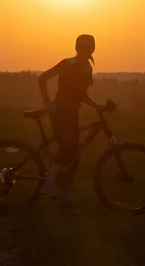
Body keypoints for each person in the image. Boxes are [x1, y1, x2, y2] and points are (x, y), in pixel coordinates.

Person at [37, 34, 106, 199]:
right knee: (68, 147)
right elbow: (42, 78)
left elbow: (82, 94)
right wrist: (47, 102)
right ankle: (49, 183)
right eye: (81, 47)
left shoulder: (88, 68)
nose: (84, 51)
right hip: (59, 110)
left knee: (75, 155)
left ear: (91, 49)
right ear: (77, 48)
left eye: (87, 48)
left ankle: (64, 194)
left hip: (73, 112)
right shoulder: (67, 63)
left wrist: (97, 105)